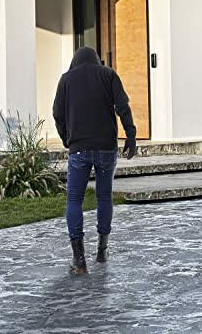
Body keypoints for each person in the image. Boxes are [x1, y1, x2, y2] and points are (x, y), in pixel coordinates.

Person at [53, 46, 137, 275]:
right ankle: (102, 250)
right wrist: (131, 135)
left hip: (79, 149)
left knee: (74, 200)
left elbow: (57, 113)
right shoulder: (108, 74)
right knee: (103, 196)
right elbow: (123, 106)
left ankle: (79, 261)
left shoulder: (66, 80)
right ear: (96, 60)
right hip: (106, 148)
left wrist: (66, 139)